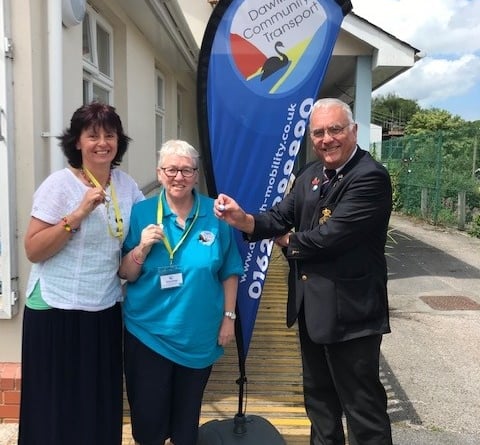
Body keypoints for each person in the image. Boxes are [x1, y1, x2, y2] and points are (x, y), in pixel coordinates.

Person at [214, 98, 393, 445]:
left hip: (353, 316)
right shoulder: (310, 175)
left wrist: (284, 239)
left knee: (362, 409)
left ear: (353, 131)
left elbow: (329, 238)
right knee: (319, 401)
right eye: (319, 132)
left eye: (335, 130)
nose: (327, 139)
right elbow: (281, 215)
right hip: (311, 310)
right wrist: (245, 220)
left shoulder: (369, 177)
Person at [18, 102, 145, 445]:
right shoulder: (59, 185)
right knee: (53, 405)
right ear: (77, 142)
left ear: (119, 141)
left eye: (110, 135)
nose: (102, 142)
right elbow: (33, 249)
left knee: (96, 403)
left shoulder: (127, 186)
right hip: (54, 306)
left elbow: (138, 238)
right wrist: (78, 214)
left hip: (102, 306)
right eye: (93, 135)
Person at [119, 139, 243, 445]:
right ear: (160, 173)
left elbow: (229, 270)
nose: (179, 177)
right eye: (172, 169)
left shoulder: (215, 216)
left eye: (186, 170)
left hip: (198, 334)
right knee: (148, 421)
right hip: (148, 332)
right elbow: (125, 272)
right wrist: (142, 248)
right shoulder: (142, 213)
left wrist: (229, 317)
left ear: (196, 175)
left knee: (186, 422)